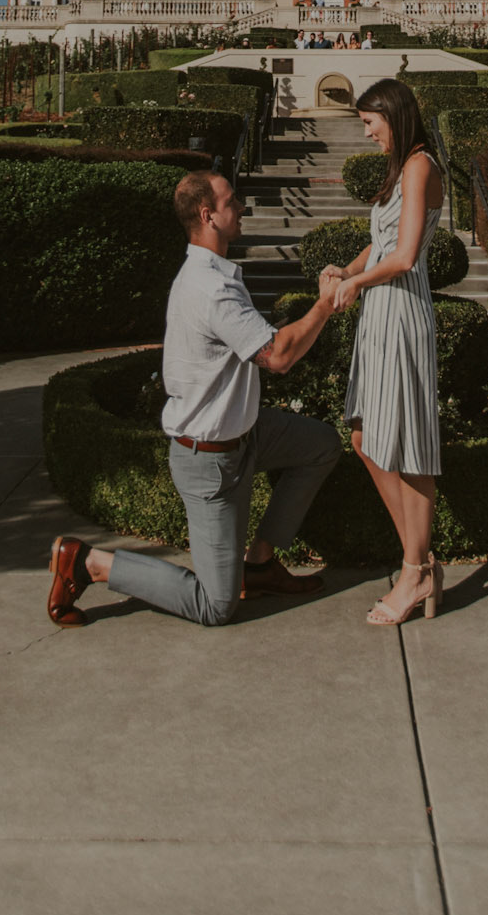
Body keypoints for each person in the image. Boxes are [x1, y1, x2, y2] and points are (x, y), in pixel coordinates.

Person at [47, 171, 342, 629]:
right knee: (216, 606)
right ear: (208, 216)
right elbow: (278, 356)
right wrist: (324, 304)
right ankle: (90, 563)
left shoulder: (214, 275)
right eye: (232, 202)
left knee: (321, 444)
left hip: (247, 436)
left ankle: (260, 562)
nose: (241, 207)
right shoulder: (212, 289)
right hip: (210, 461)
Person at [320, 78, 445, 627]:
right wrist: (345, 269)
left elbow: (407, 255)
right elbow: (383, 241)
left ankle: (413, 571)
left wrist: (359, 283)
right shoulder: (401, 170)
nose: (367, 132)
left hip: (402, 310)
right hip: (380, 314)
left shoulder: (420, 166)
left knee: (410, 448)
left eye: (370, 121)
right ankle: (419, 563)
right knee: (366, 438)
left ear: (394, 114)